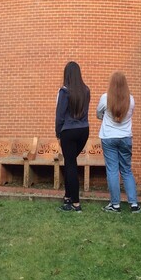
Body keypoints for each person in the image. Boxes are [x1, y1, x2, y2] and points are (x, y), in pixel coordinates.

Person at [97, 71, 141, 213]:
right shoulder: (131, 99)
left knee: (112, 170)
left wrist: (105, 116)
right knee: (126, 170)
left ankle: (115, 204)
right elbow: (129, 114)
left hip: (109, 136)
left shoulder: (105, 98)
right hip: (125, 137)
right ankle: (134, 204)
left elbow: (98, 114)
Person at [55, 61, 90, 212]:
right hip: (84, 130)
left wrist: (58, 133)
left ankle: (75, 203)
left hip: (68, 131)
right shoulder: (86, 90)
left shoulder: (64, 91)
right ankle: (68, 196)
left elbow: (60, 115)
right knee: (71, 163)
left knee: (70, 165)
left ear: (66, 74)